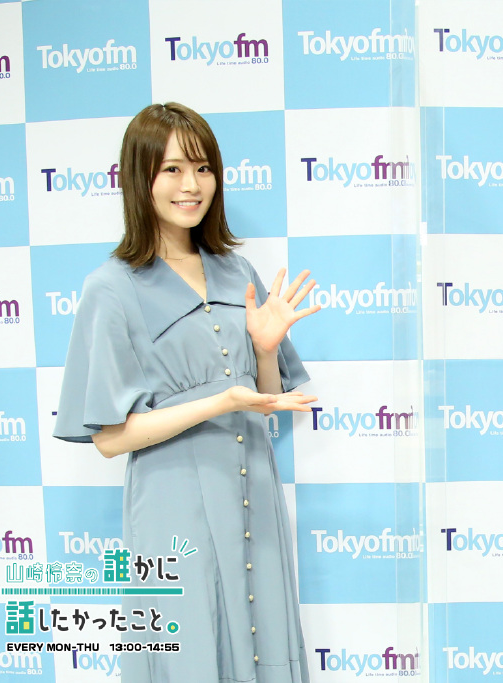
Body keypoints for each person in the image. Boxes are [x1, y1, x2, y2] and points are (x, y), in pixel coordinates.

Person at [54, 102, 320, 682]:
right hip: (172, 503)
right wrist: (220, 401)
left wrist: (265, 352)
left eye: (202, 168)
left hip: (253, 490)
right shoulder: (111, 287)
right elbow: (109, 439)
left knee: (264, 638)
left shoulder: (237, 271)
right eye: (172, 169)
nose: (191, 185)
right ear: (140, 177)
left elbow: (265, 404)